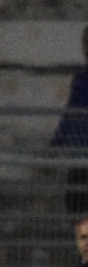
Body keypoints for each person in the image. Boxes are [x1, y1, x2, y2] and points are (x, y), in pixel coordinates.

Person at [52, 25, 88, 214]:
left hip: (82, 155)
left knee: (77, 204)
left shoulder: (82, 80)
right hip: (80, 154)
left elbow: (71, 114)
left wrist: (57, 143)